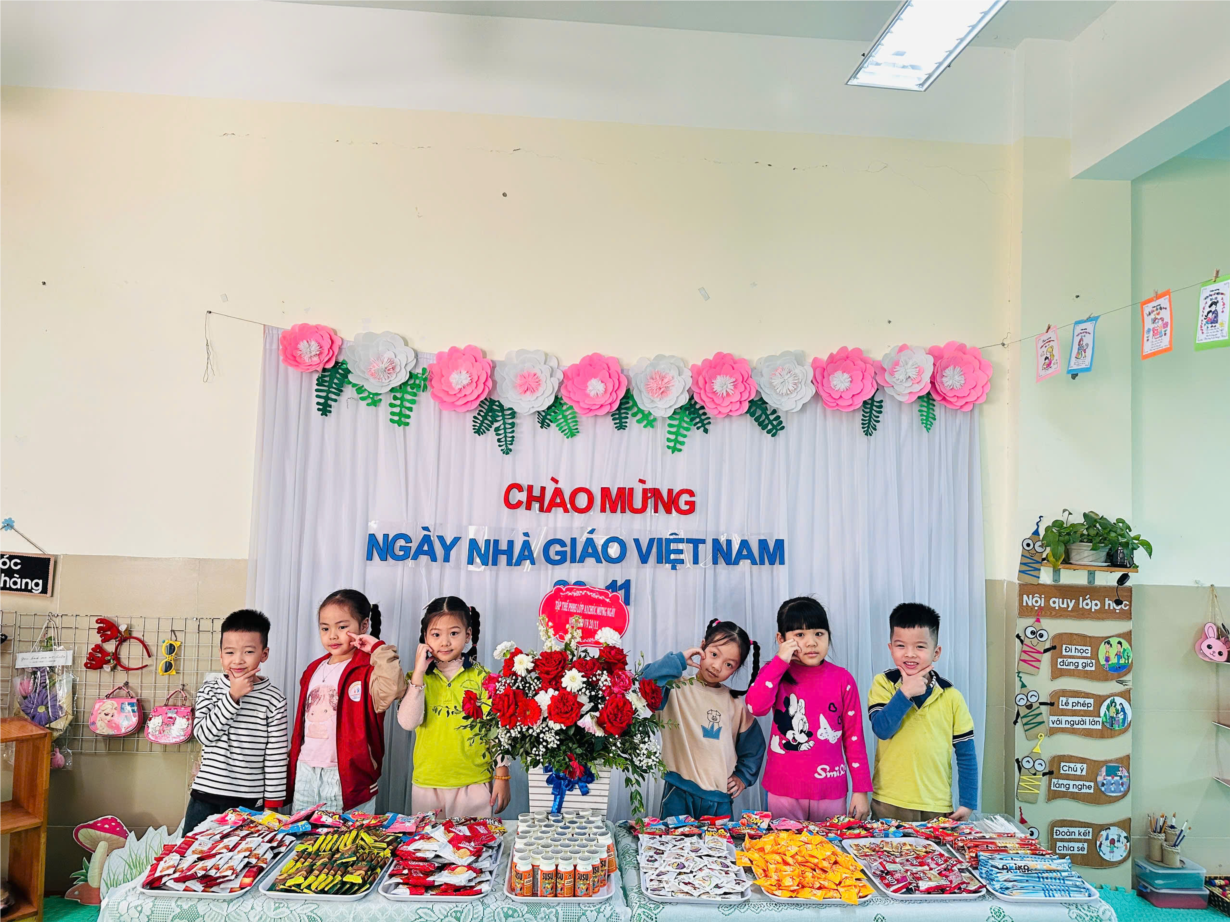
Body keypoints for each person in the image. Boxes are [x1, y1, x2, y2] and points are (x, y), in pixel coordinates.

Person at [745, 597, 871, 821]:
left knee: (830, 844)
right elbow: (756, 707)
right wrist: (779, 661)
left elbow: (854, 738)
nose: (812, 642)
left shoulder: (843, 679)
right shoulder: (774, 673)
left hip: (831, 789)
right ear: (781, 639)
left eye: (819, 633)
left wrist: (860, 790)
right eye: (800, 635)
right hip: (783, 790)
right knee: (782, 843)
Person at [288, 590, 405, 813]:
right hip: (306, 770)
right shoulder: (313, 669)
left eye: (342, 627)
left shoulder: (369, 668)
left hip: (349, 776)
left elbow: (395, 689)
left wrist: (378, 649)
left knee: (348, 835)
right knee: (304, 833)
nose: (332, 635)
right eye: (325, 628)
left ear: (364, 625)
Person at [641, 619, 766, 819]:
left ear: (735, 670)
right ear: (702, 646)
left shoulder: (735, 703)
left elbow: (754, 746)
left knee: (720, 841)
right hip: (679, 791)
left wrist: (743, 776)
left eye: (728, 664)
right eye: (714, 654)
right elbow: (643, 682)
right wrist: (679, 660)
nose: (717, 666)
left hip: (719, 799)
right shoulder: (674, 688)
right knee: (674, 840)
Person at [398, 596, 510, 817]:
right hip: (427, 784)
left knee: (474, 840)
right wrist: (419, 673)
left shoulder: (483, 678)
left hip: (474, 783)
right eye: (436, 634)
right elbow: (408, 723)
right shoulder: (415, 679)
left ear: (468, 635)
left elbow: (496, 731)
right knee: (428, 840)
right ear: (425, 637)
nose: (445, 642)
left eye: (454, 633)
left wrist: (502, 773)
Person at [868, 603, 977, 821]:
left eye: (920, 647)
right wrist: (905, 692)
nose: (910, 654)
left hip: (936, 804)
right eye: (901, 645)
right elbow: (882, 729)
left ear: (936, 653)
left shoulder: (951, 696)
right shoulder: (884, 683)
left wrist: (968, 802)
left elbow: (966, 754)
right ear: (890, 648)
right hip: (888, 802)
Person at [185, 609, 288, 833]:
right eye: (230, 652)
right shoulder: (210, 689)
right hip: (206, 796)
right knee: (192, 853)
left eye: (248, 651)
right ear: (221, 655)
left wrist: (272, 806)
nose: (238, 660)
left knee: (247, 854)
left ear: (264, 654)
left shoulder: (274, 699)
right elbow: (203, 735)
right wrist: (233, 696)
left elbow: (276, 757)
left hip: (250, 801)